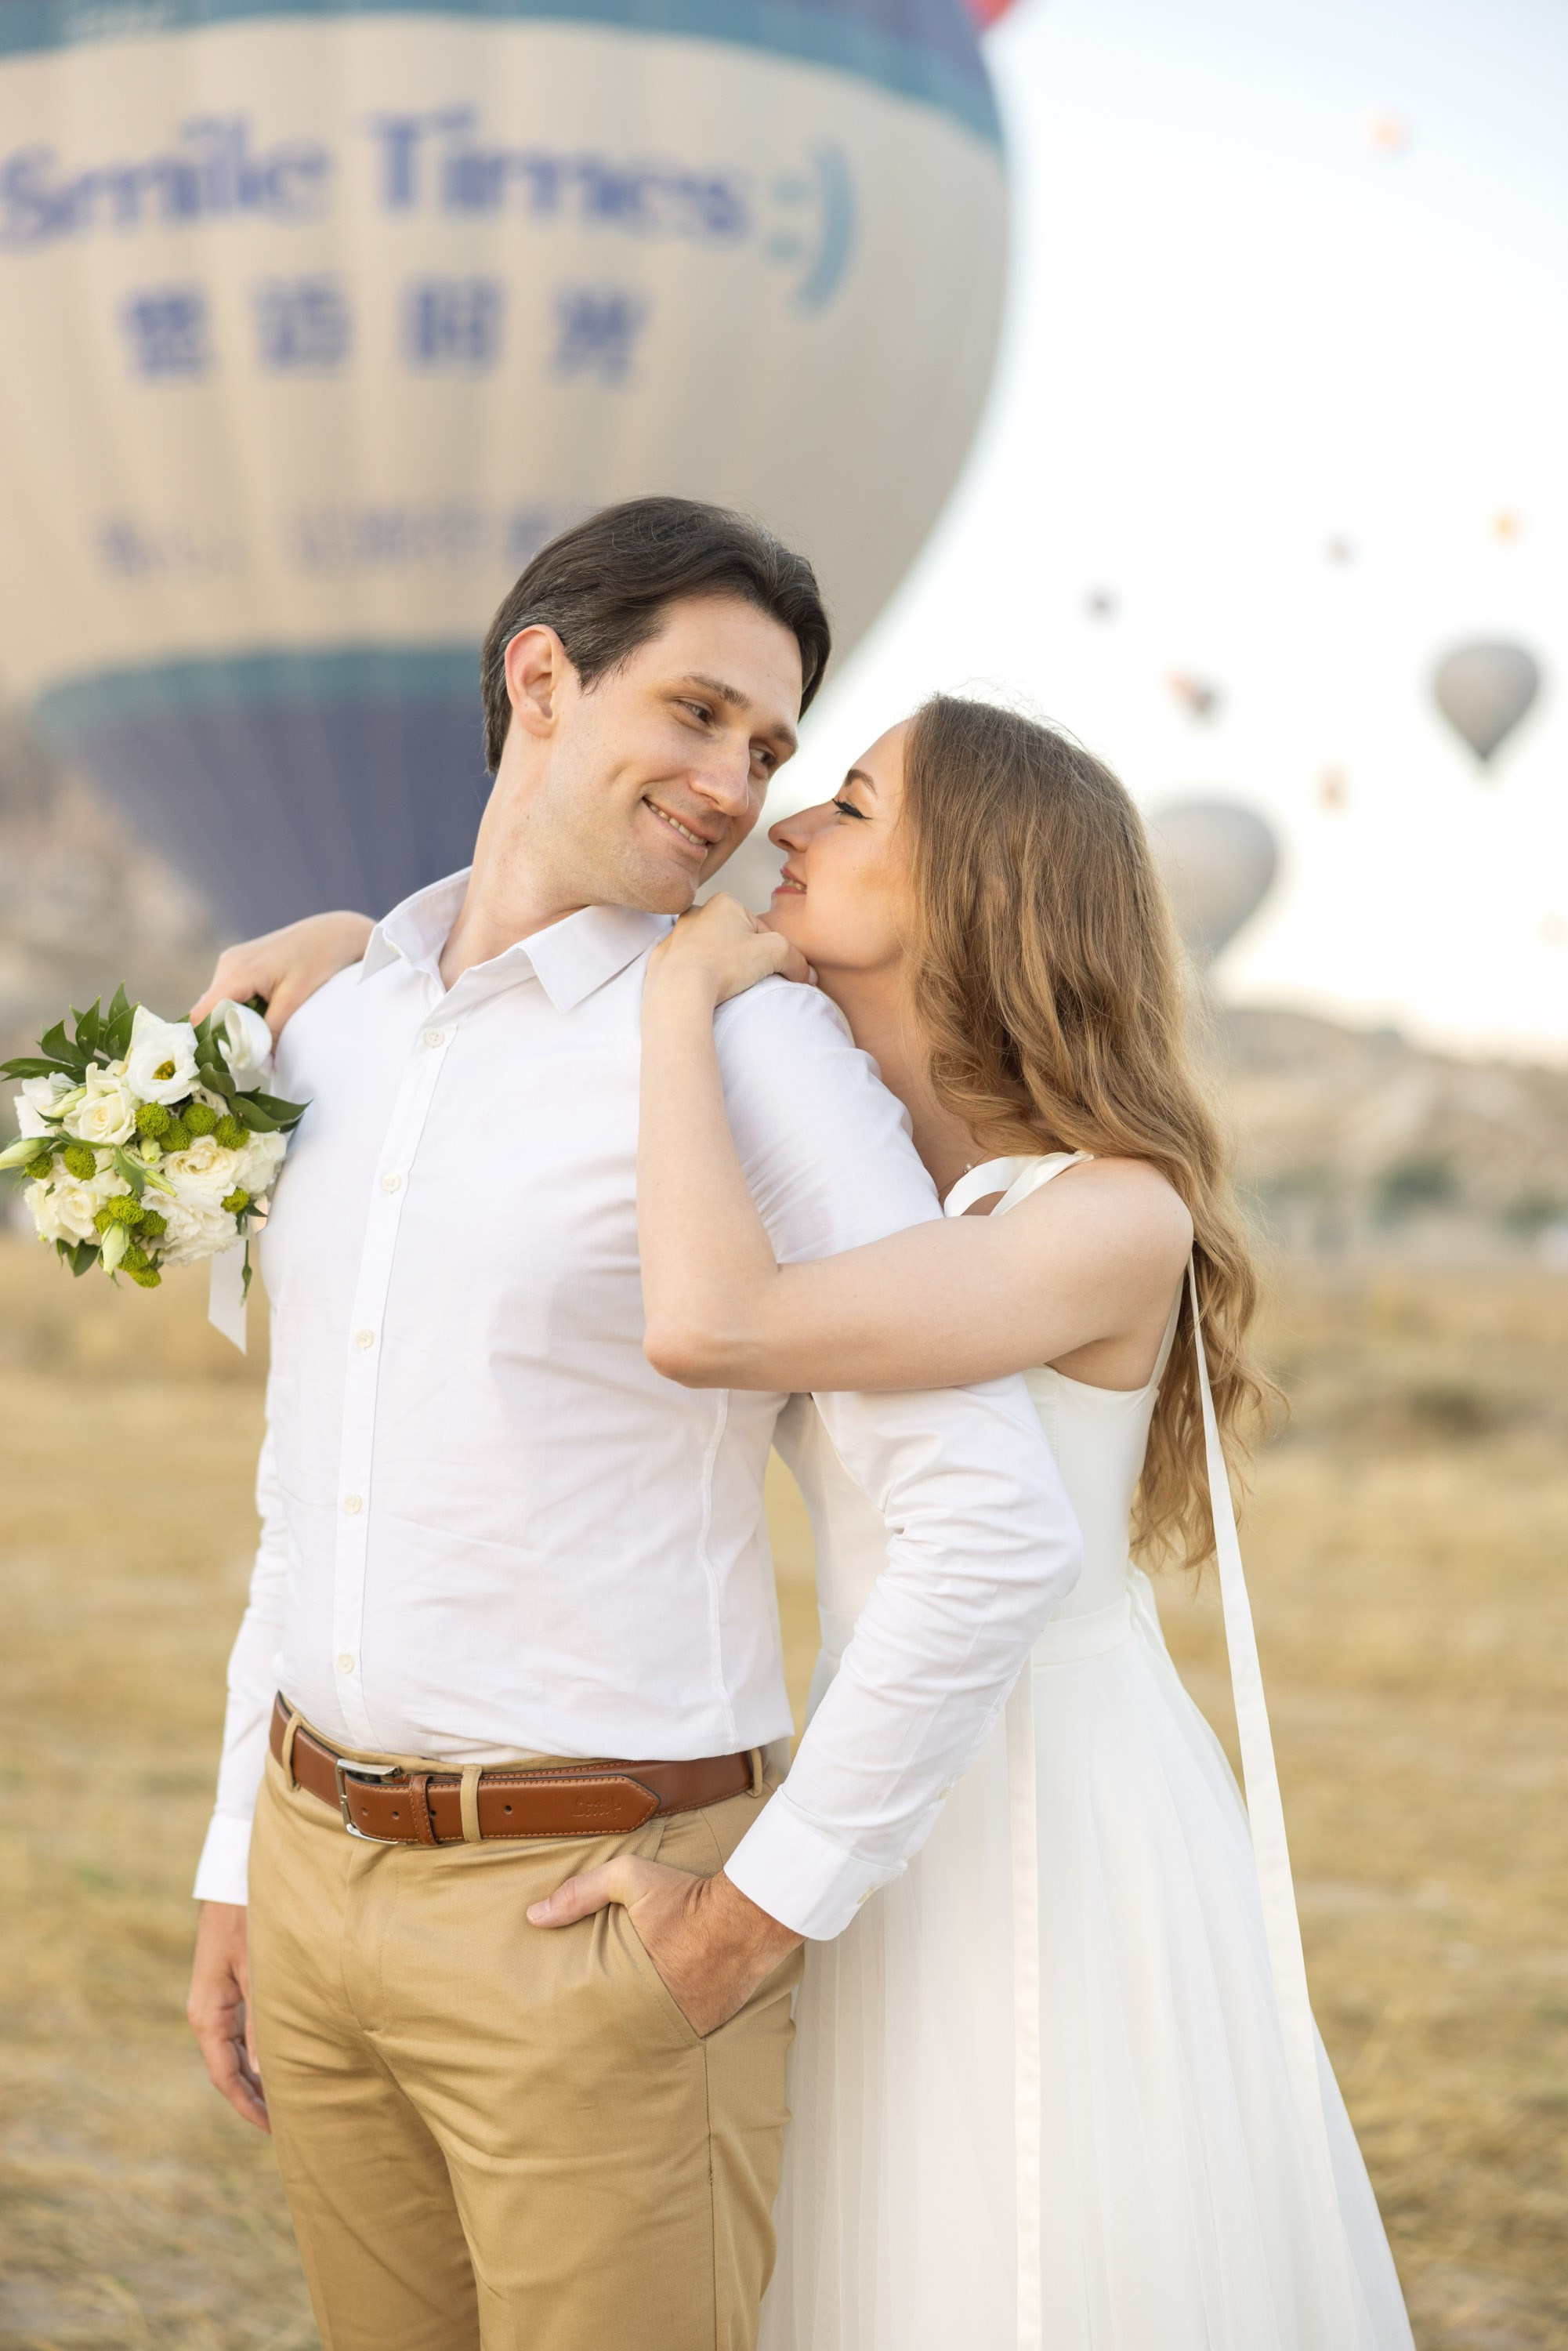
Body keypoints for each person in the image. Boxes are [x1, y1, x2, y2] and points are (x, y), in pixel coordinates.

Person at [232, 690, 1418, 2349]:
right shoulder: (873, 1158)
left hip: (1030, 1811)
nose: (784, 824)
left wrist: (673, 1004)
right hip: (869, 1772)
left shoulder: (1105, 1216)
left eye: (847, 805)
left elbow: (711, 1325)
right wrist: (362, 942)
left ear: (978, 890)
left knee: (1012, 2246)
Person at [183, 498, 1081, 2351]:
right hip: (311, 1866)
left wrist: (751, 1921)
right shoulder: (337, 1022)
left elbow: (985, 1522)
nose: (736, 783)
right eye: (694, 714)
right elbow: (311, 1485)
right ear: (538, 680)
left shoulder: (748, 1055)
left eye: (769, 750)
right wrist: (230, 1864)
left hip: (590, 1921)